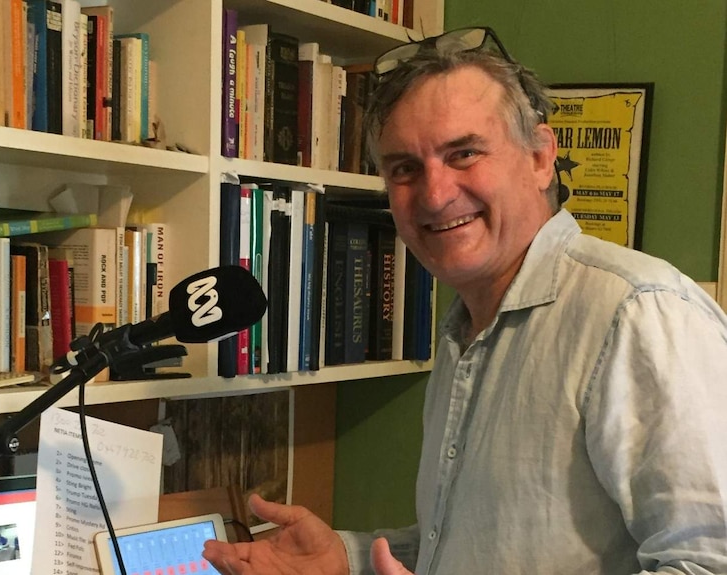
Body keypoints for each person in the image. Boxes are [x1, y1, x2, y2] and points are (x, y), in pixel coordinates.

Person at [202, 26, 727, 575]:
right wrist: (348, 557)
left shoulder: (637, 313)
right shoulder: (465, 332)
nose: (434, 194)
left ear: (541, 157)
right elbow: (483, 546)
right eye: (405, 168)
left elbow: (708, 563)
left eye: (465, 153)